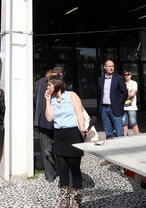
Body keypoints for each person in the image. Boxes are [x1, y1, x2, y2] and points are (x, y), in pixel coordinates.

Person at [45, 76, 88, 208]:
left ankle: (76, 200)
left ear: (56, 85)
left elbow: (79, 113)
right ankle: (64, 200)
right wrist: (47, 101)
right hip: (59, 136)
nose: (47, 87)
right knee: (62, 169)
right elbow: (49, 118)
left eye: (49, 85)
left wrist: (82, 129)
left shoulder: (71, 95)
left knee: (75, 169)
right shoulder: (51, 99)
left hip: (73, 134)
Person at [33, 67, 61, 182]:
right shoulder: (57, 83)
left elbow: (34, 99)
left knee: (45, 145)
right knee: (57, 144)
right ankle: (59, 168)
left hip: (40, 119)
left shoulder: (39, 82)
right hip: (54, 118)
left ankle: (49, 175)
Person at [97, 60, 127, 140]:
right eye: (109, 66)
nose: (111, 68)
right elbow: (99, 94)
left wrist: (119, 104)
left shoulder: (119, 78)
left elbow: (125, 93)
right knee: (109, 134)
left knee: (119, 133)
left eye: (112, 66)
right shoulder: (100, 79)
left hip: (115, 108)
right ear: (105, 67)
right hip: (104, 109)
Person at [122, 70, 140, 136]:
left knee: (133, 122)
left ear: (131, 75)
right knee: (124, 123)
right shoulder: (122, 83)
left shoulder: (133, 83)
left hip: (131, 107)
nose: (126, 76)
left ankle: (137, 136)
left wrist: (123, 95)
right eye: (125, 74)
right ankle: (124, 137)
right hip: (123, 107)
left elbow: (132, 94)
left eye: (128, 74)